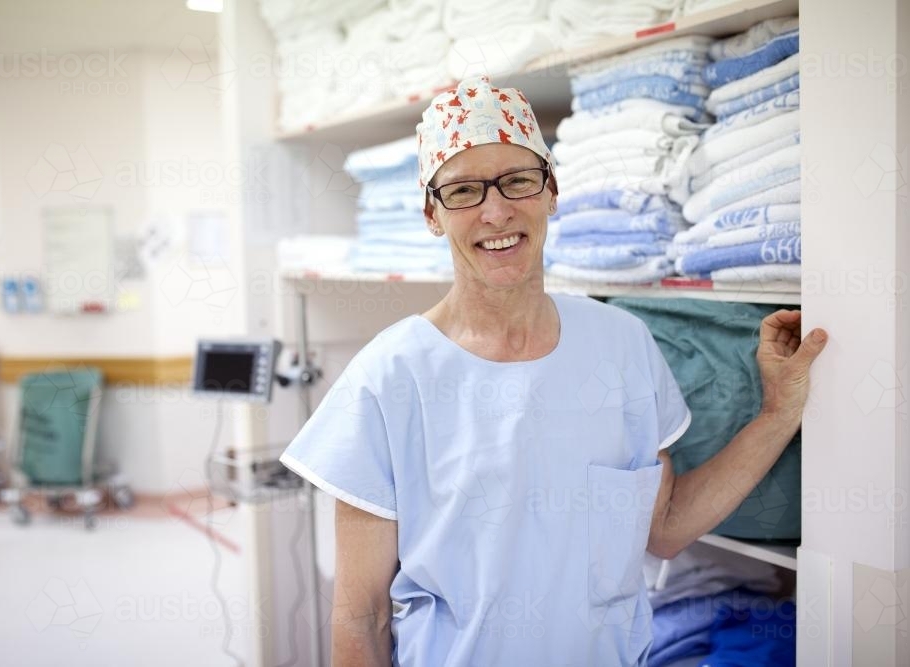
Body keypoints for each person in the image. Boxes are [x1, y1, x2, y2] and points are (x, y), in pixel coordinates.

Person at [280, 77, 827, 667]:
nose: (496, 211)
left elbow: (665, 528)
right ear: (432, 215)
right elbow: (361, 619)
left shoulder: (621, 345)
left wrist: (779, 412)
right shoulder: (389, 378)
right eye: (464, 190)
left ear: (552, 192)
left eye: (517, 181)